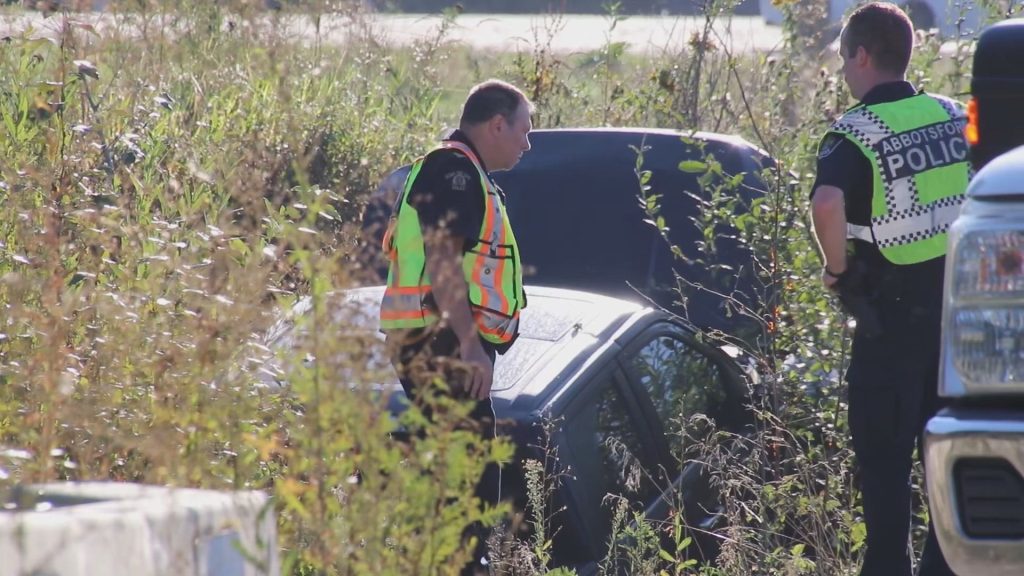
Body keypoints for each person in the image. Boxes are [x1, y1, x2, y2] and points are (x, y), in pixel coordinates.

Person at [809, 4, 970, 576]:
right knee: (947, 464)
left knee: (883, 471)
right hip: (957, 325)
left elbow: (827, 203)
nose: (843, 69)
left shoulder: (855, 132)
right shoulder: (953, 115)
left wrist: (836, 269)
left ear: (862, 55)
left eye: (843, 57)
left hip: (888, 323)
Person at [378, 79, 532, 575]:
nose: (528, 144)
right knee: (468, 485)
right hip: (439, 343)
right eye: (525, 131)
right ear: (497, 125)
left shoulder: (458, 171)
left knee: (465, 480)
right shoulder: (455, 170)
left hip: (430, 340)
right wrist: (469, 343)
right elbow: (443, 259)